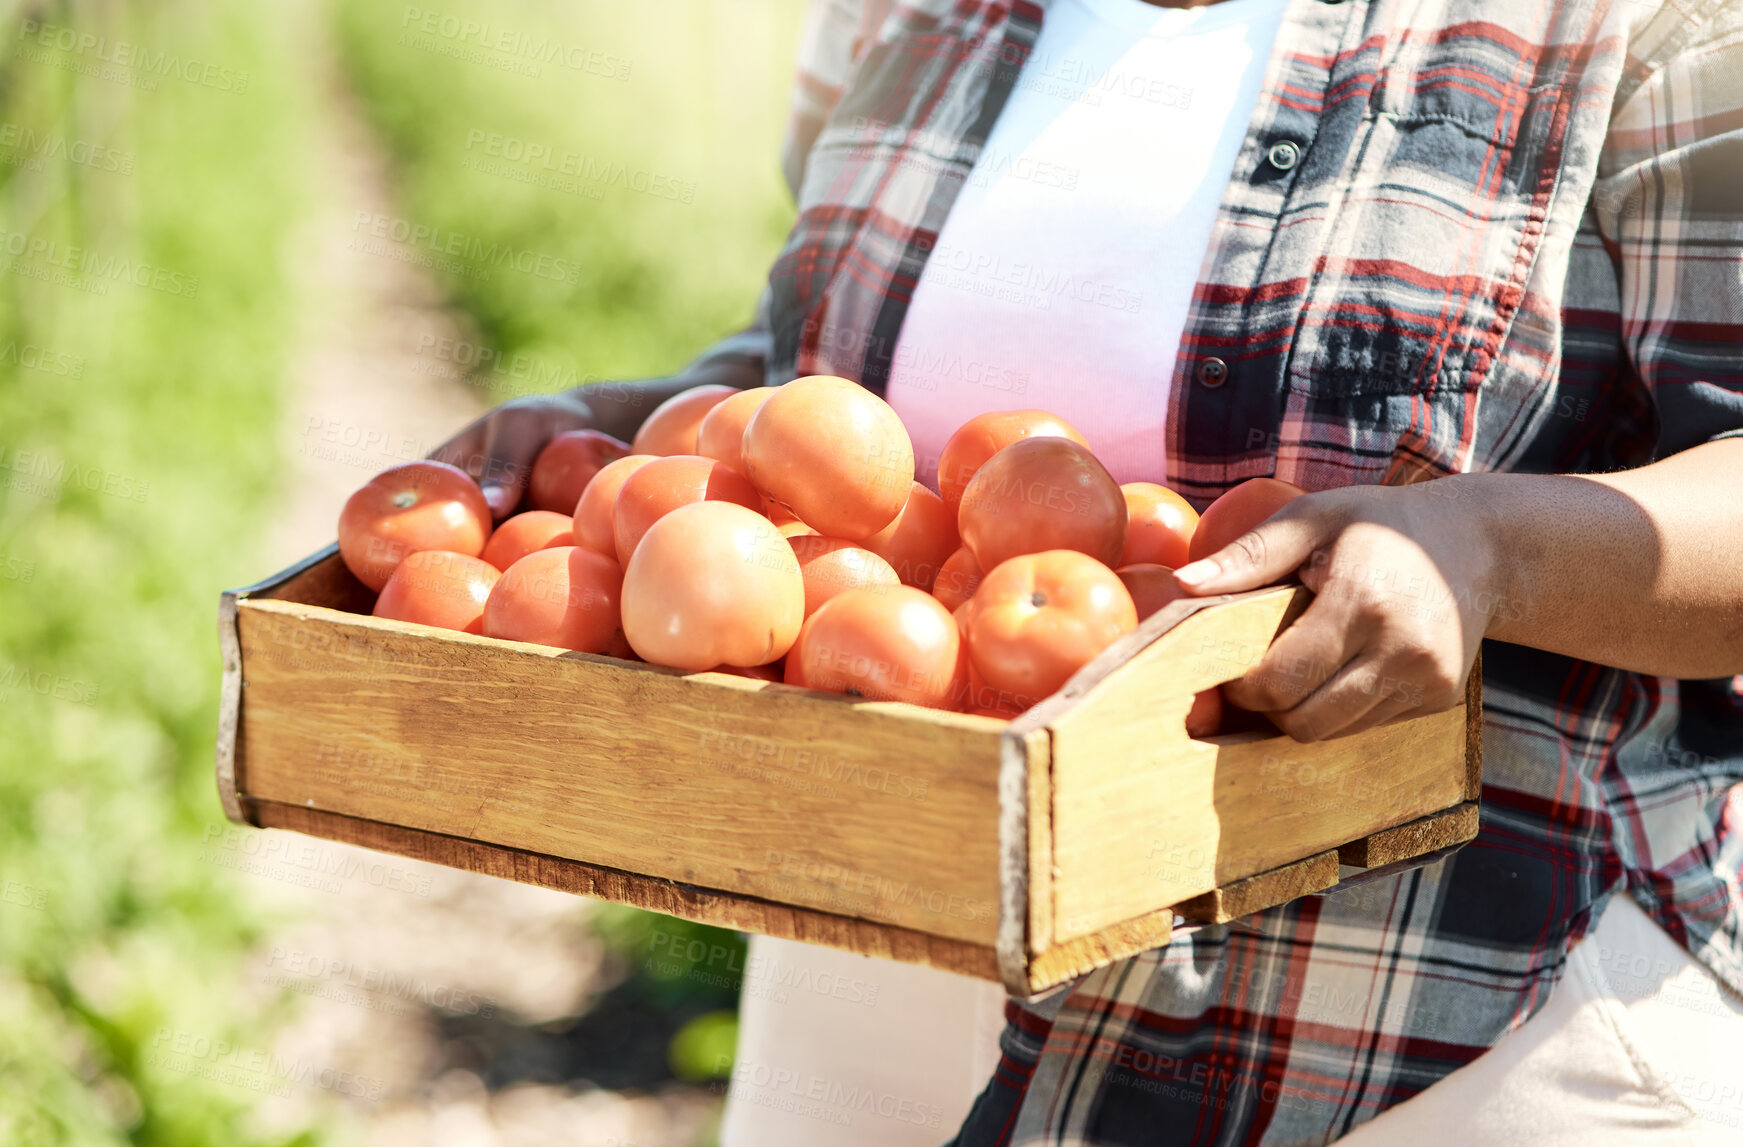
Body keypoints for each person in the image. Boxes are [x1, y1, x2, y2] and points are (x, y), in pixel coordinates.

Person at [437, 0, 1743, 1141]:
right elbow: (839, 367)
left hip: (1433, 1008)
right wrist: (660, 425)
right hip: (880, 931)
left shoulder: (1651, 23)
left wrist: (1494, 548)